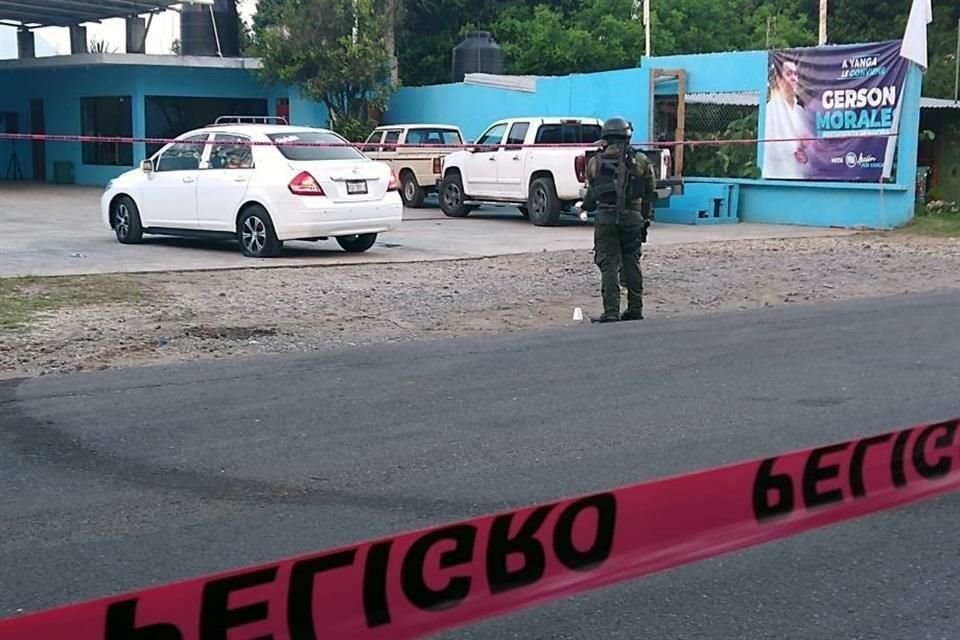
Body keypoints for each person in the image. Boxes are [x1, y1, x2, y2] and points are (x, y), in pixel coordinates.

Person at [577, 116, 657, 323]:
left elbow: (592, 196)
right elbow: (650, 193)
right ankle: (635, 308)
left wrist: (584, 208)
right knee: (632, 262)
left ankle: (611, 311)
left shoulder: (595, 162)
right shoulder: (641, 161)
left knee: (608, 263)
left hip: (606, 218)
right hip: (633, 217)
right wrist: (644, 219)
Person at [761, 57, 811, 179]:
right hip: (776, 178)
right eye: (789, 74)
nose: (794, 78)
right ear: (778, 79)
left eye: (796, 74)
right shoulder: (770, 110)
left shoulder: (801, 112)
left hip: (800, 178)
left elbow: (808, 146)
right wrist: (793, 150)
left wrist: (806, 152)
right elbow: (767, 147)